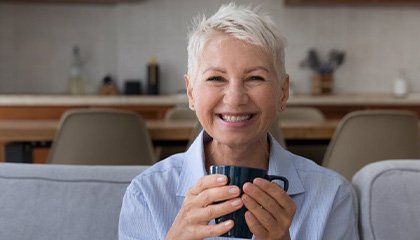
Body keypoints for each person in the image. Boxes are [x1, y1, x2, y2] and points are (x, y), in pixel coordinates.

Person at [119, 3, 358, 240]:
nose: (235, 98)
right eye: (215, 78)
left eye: (255, 77)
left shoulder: (332, 195)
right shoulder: (146, 194)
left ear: (283, 92)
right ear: (191, 93)